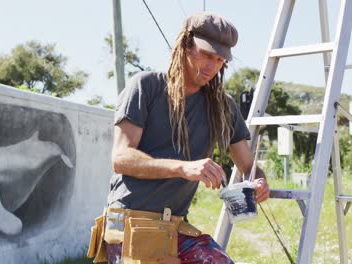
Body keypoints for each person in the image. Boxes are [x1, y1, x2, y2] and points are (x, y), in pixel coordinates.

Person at [90, 12, 270, 264]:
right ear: (185, 44)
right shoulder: (146, 86)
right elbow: (121, 158)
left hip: (175, 226)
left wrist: (259, 182)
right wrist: (183, 168)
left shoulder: (223, 107)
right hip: (129, 221)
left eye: (219, 60)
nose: (212, 66)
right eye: (206, 55)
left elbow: (249, 167)